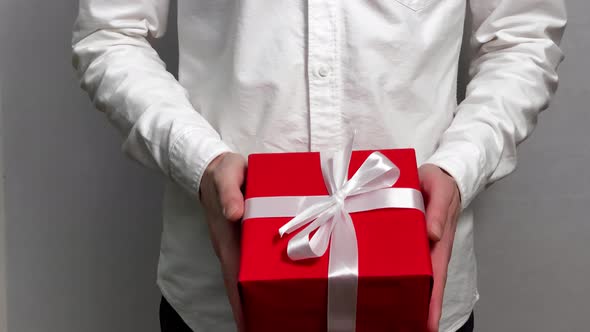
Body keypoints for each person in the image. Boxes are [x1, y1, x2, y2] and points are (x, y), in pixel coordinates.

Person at [72, 1, 566, 331]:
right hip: (217, 296)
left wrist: (463, 165)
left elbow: (520, 39)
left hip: (418, 289)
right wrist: (197, 161)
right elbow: (111, 34)